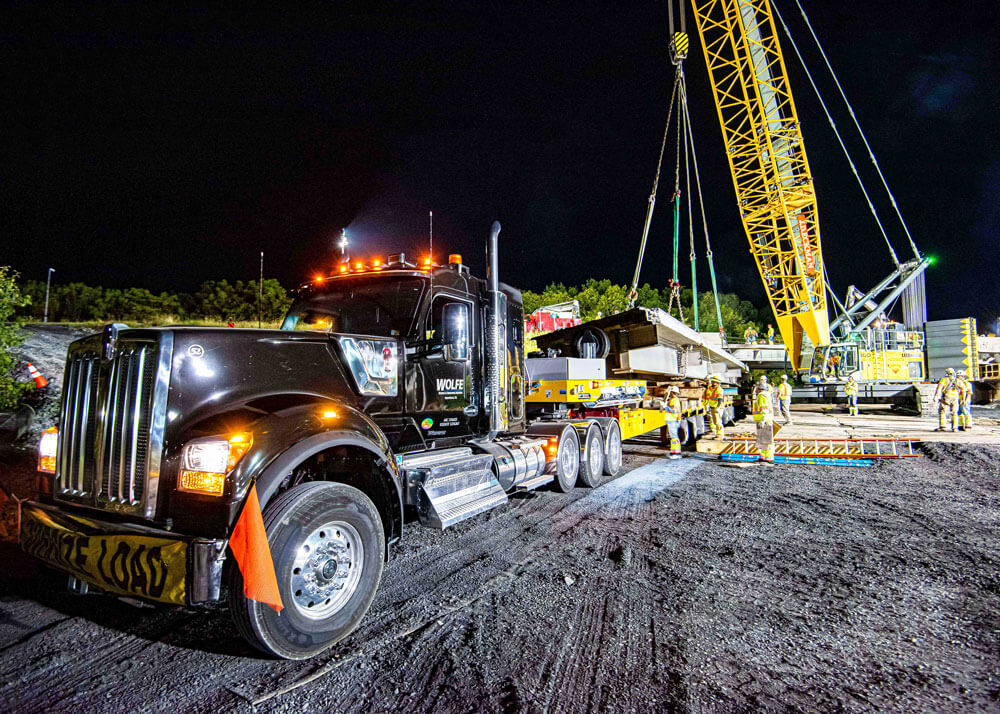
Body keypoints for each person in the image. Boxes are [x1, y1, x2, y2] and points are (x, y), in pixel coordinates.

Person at [752, 376, 775, 463]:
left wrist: (763, 420)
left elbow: (764, 409)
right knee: (763, 440)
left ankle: (769, 457)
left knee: (766, 440)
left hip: (764, 420)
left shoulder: (762, 396)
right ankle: (764, 457)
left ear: (758, 388)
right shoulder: (765, 395)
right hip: (764, 420)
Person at [933, 368, 961, 432]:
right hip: (955, 397)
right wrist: (963, 398)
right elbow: (963, 389)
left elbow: (939, 388)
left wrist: (936, 396)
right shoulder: (957, 380)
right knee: (954, 412)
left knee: (942, 411)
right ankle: (955, 428)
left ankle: (943, 426)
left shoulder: (944, 380)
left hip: (947, 396)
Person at [664, 386, 682, 458]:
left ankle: (676, 453)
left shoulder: (674, 400)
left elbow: (673, 411)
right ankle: (675, 451)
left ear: (672, 393)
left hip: (673, 420)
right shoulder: (675, 400)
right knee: (674, 436)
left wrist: (665, 406)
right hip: (673, 420)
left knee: (674, 437)